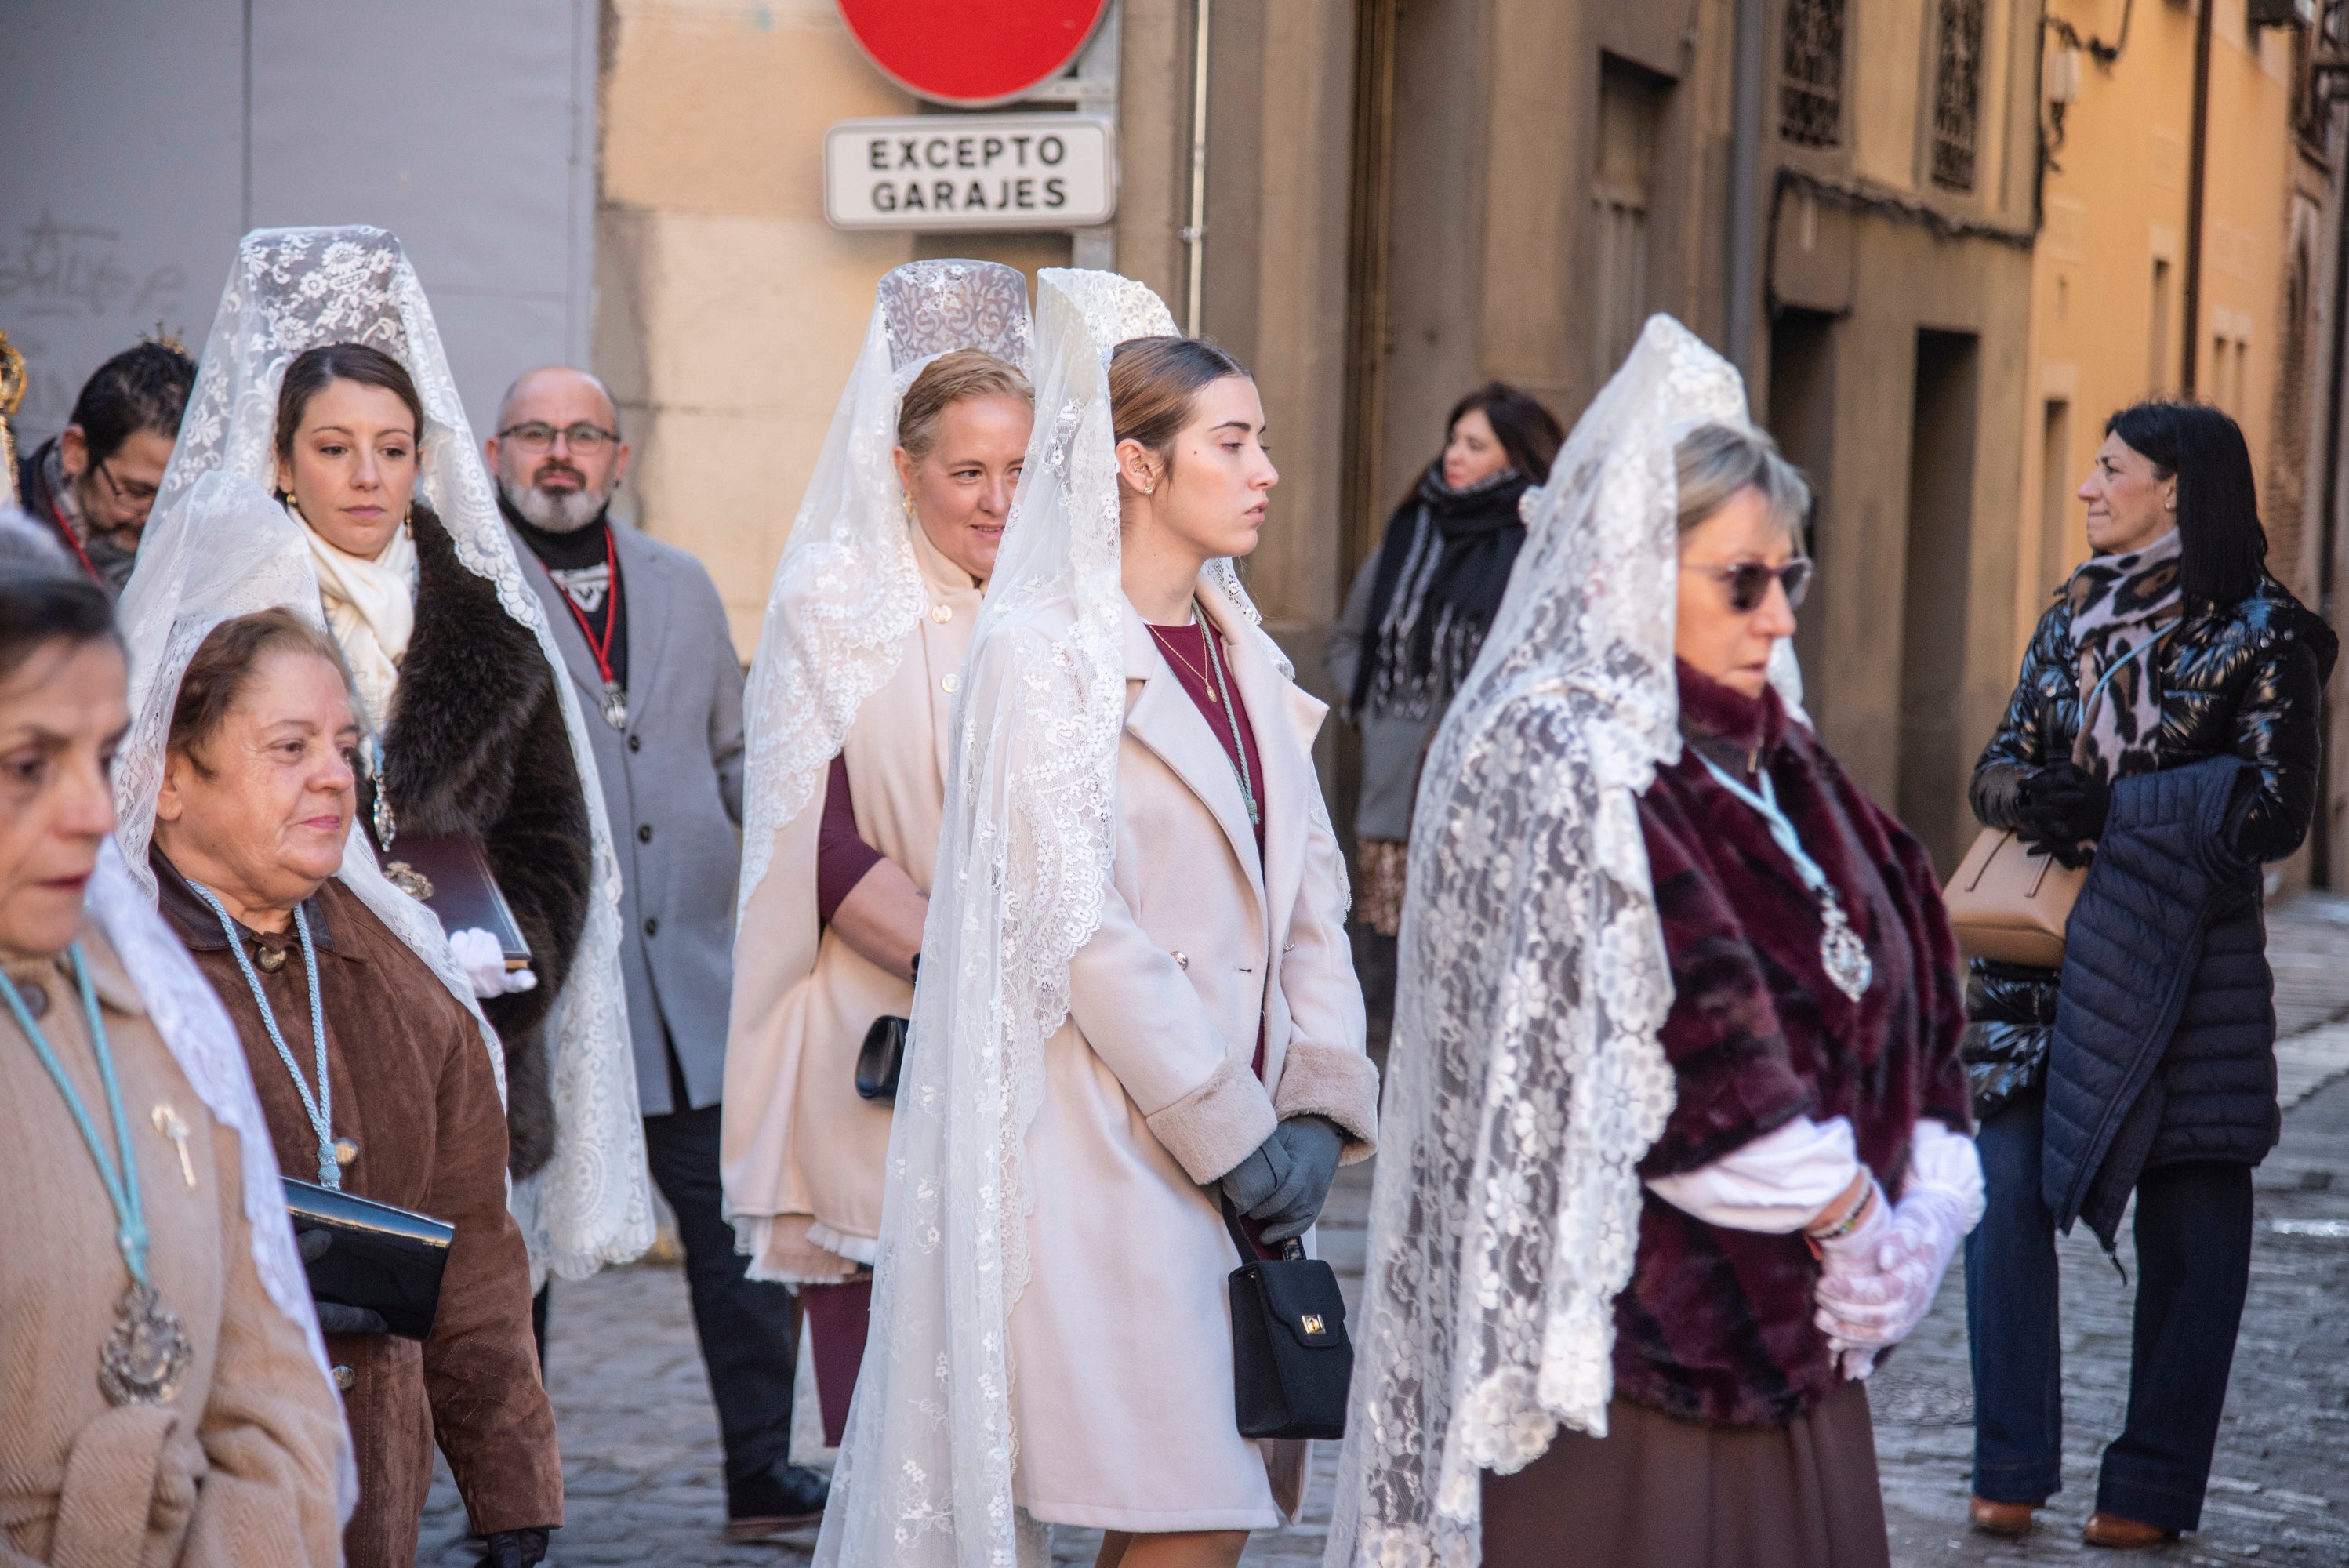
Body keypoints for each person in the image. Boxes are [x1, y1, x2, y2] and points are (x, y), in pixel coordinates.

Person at [1328, 318, 1980, 1568]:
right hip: (1642, 1372)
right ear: (1629, 566)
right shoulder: (1568, 756)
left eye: (1792, 576)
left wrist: (1929, 1209)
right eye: (1742, 579)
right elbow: (1690, 1063)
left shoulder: (1781, 755)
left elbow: (1917, 975)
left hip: (1801, 1357)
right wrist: (1855, 1218)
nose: (1779, 614)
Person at [816, 270, 1378, 1568]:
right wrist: (1230, 1128)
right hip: (1108, 1145)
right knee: (1187, 1505)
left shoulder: (1250, 657)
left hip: (1245, 1155)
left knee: (1213, 1507)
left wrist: (1312, 1105)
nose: (1267, 472)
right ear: (1135, 462)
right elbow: (1082, 923)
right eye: (1231, 444)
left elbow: (1312, 904)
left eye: (1259, 441)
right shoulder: (1045, 652)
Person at [125, 226, 652, 1280]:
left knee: (486, 1359)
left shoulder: (489, 623)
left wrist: (509, 969)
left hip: (473, 1047)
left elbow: (553, 831)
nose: (367, 476)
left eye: (393, 447)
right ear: (280, 461)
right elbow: (155, 825)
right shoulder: (220, 622)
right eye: (333, 447)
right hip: (271, 1042)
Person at [1961, 401, 2335, 1548]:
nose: (2086, 487)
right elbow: (1996, 766)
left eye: (2109, 468)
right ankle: (2010, 1463)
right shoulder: (2072, 613)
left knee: (2194, 1227)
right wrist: (2037, 799)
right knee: (2001, 1205)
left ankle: (2151, 1489)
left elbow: (2277, 816)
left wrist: (2119, 812)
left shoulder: (2266, 633)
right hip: (2047, 966)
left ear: (2175, 487)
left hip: (2188, 969)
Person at [144, 606, 562, 1568]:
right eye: (288, 747)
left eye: (343, 745)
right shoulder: (114, 986)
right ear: (170, 777)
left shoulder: (405, 983)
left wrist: (509, 1486)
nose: (335, 774)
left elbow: (477, 1248)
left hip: (372, 1496)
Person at [492, 365, 825, 1537]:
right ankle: (507, 1503)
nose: (560, 454)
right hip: (544, 997)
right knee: (517, 1258)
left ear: (620, 457)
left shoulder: (681, 584)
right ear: (496, 451)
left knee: (739, 1249)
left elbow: (737, 759)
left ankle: (759, 1478)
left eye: (585, 433)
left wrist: (788, 873)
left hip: (692, 986)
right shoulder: (469, 587)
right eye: (535, 432)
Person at [721, 258, 1033, 1457]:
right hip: (877, 1019)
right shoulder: (835, 593)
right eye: (967, 473)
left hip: (1040, 1027)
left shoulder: (1063, 596)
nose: (997, 501)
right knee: (881, 1385)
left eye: (1017, 470)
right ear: (904, 470)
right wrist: (960, 953)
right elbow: (815, 820)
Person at [0, 513, 349, 1566]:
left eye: (102, 758)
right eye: (28, 765)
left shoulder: (150, 1012)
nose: (96, 814)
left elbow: (275, 1398)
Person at [1325, 383, 1561, 939]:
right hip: (1395, 802)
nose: (1454, 455)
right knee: (1391, 968)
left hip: (1493, 802)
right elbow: (1348, 641)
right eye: (1454, 439)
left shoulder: (1541, 545)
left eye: (1475, 445)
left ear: (1518, 455)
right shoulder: (1410, 534)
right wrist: (1377, 718)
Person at [15, 339, 197, 595]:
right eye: (136, 492)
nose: (154, 518)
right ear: (75, 451)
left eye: (172, 496)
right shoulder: (10, 518)